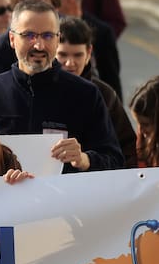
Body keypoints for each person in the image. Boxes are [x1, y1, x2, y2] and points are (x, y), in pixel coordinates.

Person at [0, 0, 123, 172]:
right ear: (12, 39)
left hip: (65, 198)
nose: (39, 45)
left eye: (47, 36)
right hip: (1, 197)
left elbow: (115, 160)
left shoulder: (86, 94)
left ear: (57, 40)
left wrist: (84, 159)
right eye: (29, 35)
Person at [56, 16, 137, 167]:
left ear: (89, 53)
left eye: (77, 55)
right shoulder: (39, 89)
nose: (70, 63)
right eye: (63, 55)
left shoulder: (105, 95)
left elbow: (126, 148)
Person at [51, 0, 122, 98]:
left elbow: (112, 82)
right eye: (62, 54)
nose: (70, 63)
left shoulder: (103, 33)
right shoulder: (48, 29)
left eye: (54, 2)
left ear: (70, 1)